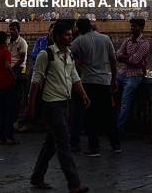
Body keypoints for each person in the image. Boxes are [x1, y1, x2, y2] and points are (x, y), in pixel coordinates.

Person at [28, 19, 90, 193]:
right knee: (63, 143)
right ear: (57, 36)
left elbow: (74, 76)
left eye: (71, 34)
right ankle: (74, 183)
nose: (70, 37)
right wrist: (31, 106)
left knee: (51, 143)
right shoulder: (45, 55)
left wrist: (84, 95)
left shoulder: (69, 54)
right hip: (51, 104)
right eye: (66, 34)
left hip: (65, 103)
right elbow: (36, 81)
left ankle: (37, 176)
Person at [71, 18, 120, 156]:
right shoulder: (105, 38)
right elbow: (113, 61)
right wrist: (114, 79)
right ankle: (115, 144)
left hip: (88, 81)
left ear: (79, 28)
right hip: (105, 80)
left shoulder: (78, 41)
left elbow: (67, 55)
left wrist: (78, 62)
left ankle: (94, 148)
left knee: (90, 116)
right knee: (109, 114)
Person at [116, 18, 150, 131]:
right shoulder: (127, 40)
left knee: (125, 103)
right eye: (131, 26)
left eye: (134, 26)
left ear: (141, 27)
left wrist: (124, 58)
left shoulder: (145, 43)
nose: (132, 28)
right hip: (123, 72)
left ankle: (118, 129)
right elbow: (117, 55)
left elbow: (134, 60)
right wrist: (127, 58)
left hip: (135, 75)